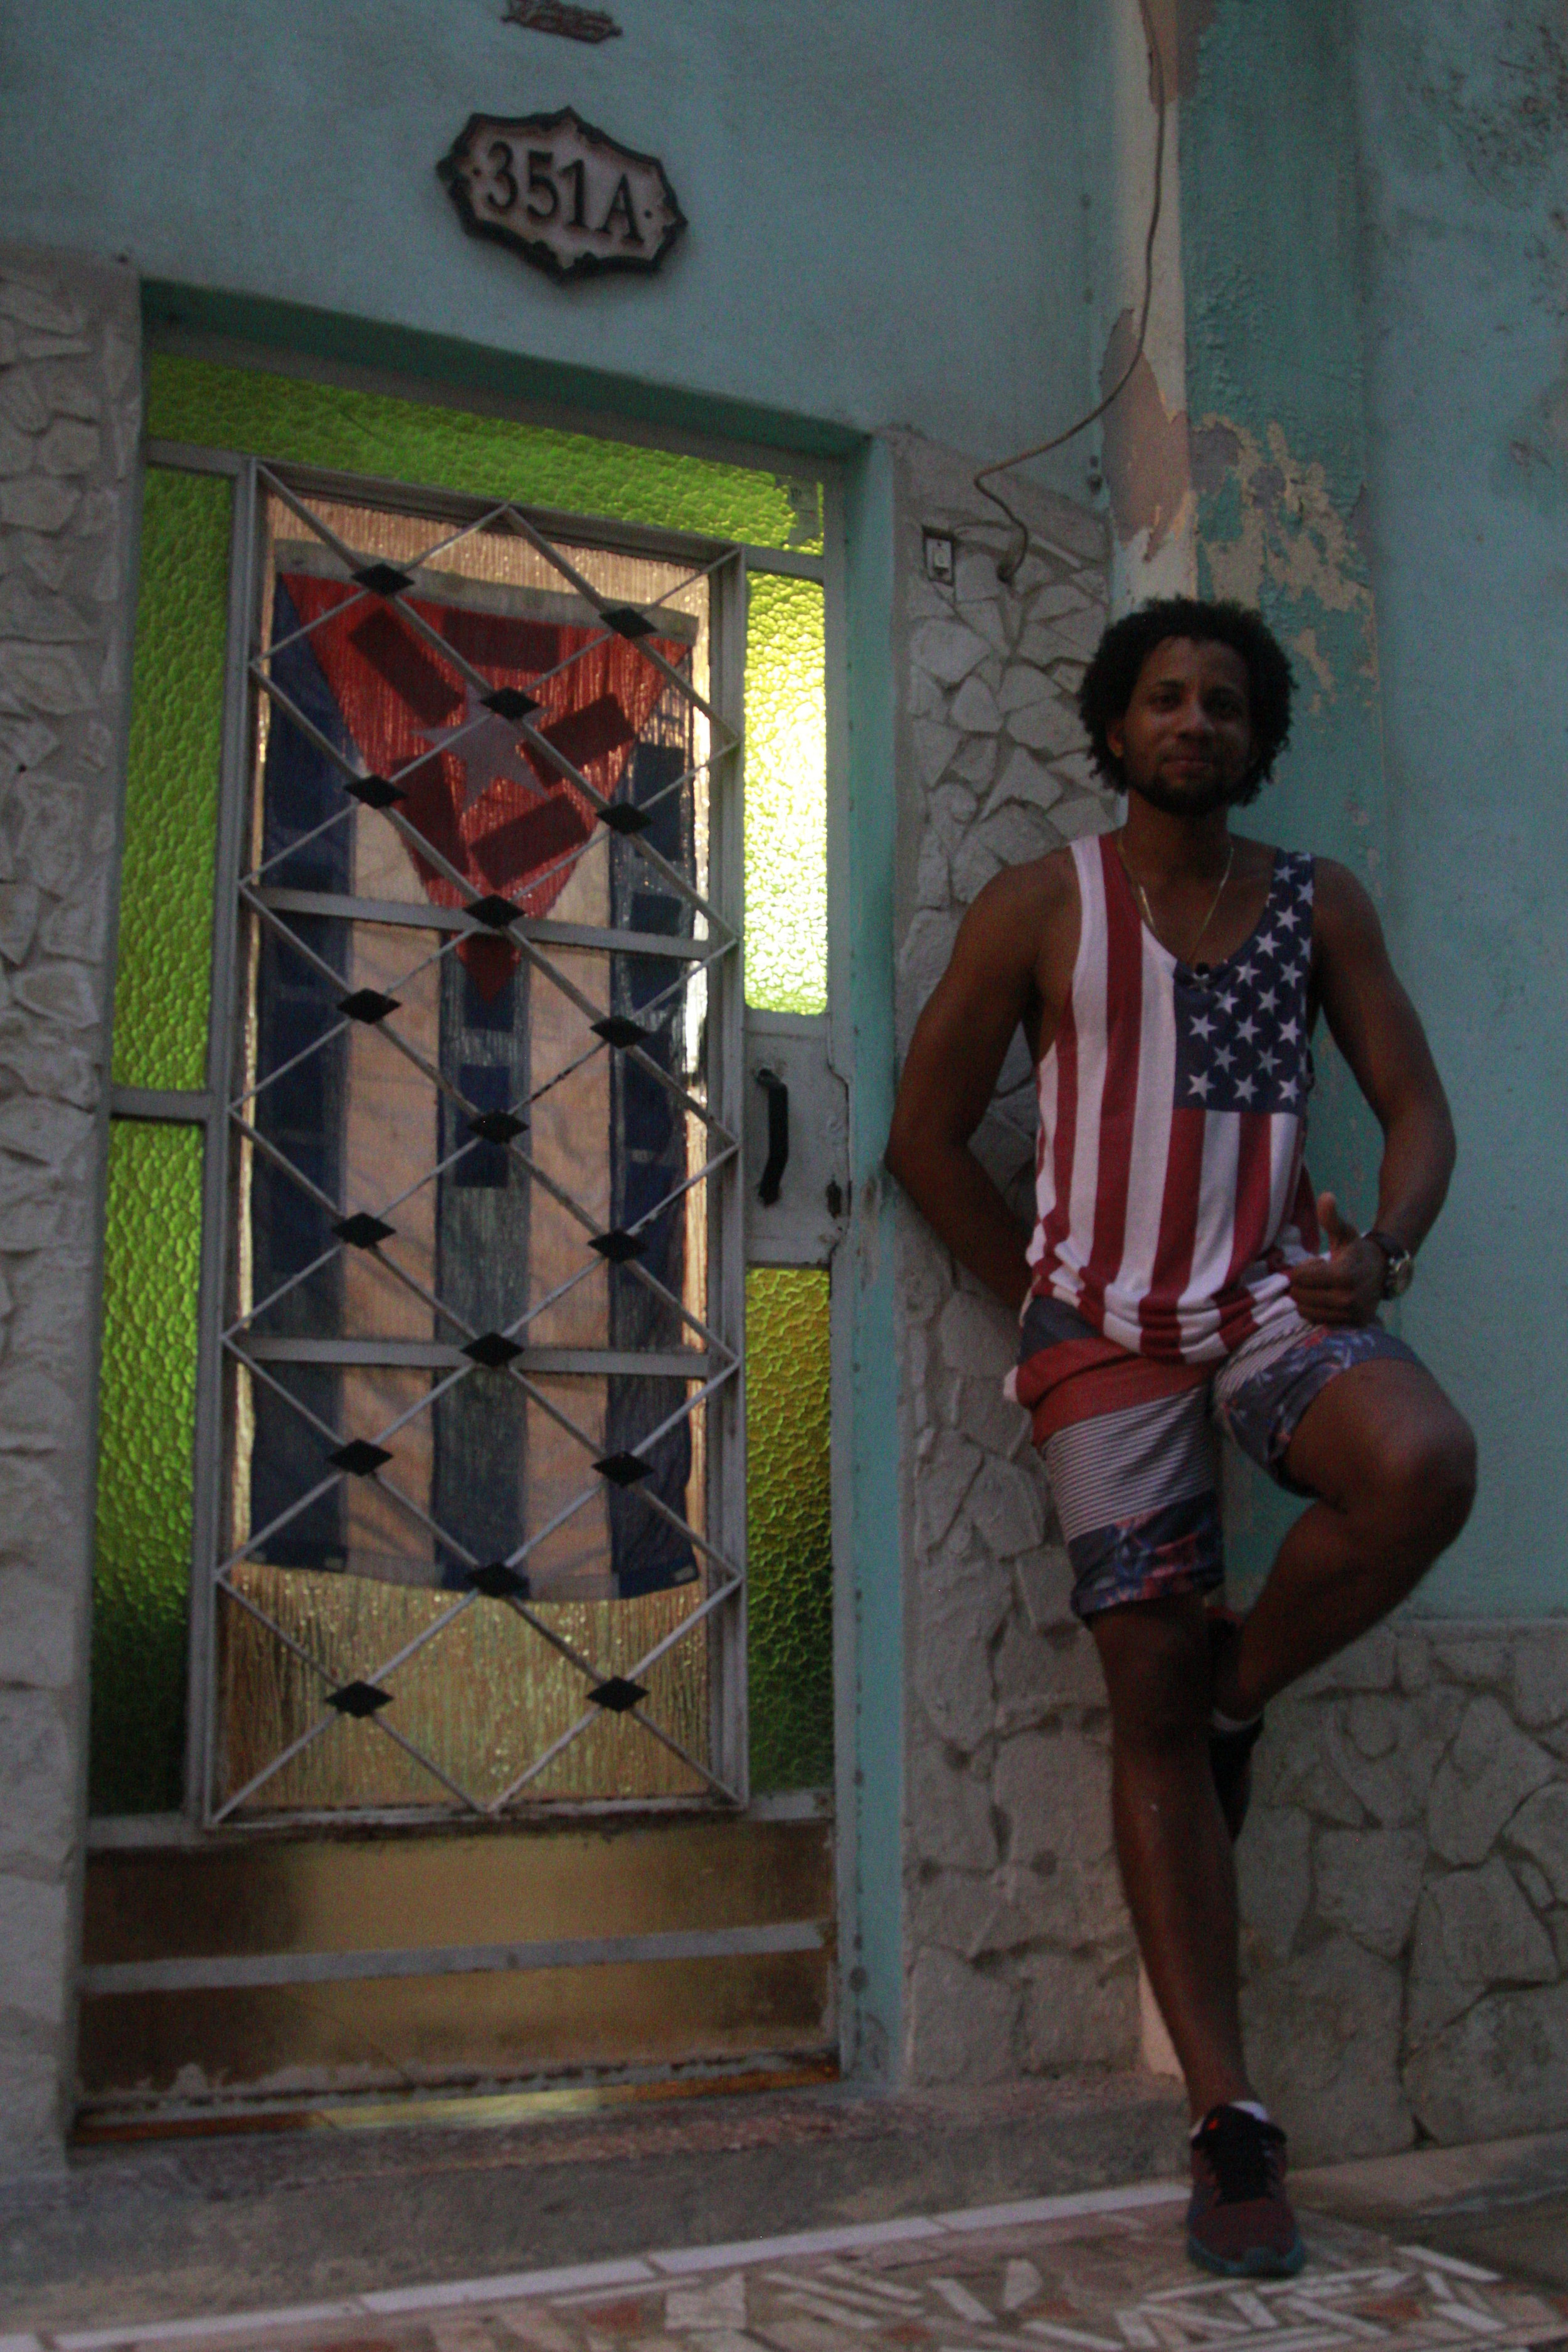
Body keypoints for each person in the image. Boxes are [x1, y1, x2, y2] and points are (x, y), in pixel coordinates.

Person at [885, 596, 1475, 2280]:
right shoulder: (1040, 906)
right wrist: (1042, 1312)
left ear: (1254, 734)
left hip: (1277, 1309)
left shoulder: (1310, 905)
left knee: (1420, 1466)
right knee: (1133, 1701)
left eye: (1222, 702)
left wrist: (1386, 1247)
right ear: (1115, 724)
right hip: (1107, 1345)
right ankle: (1229, 2124)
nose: (1193, 722)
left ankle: (1241, 1688)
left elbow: (1413, 1105)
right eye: (1163, 698)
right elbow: (928, 1141)